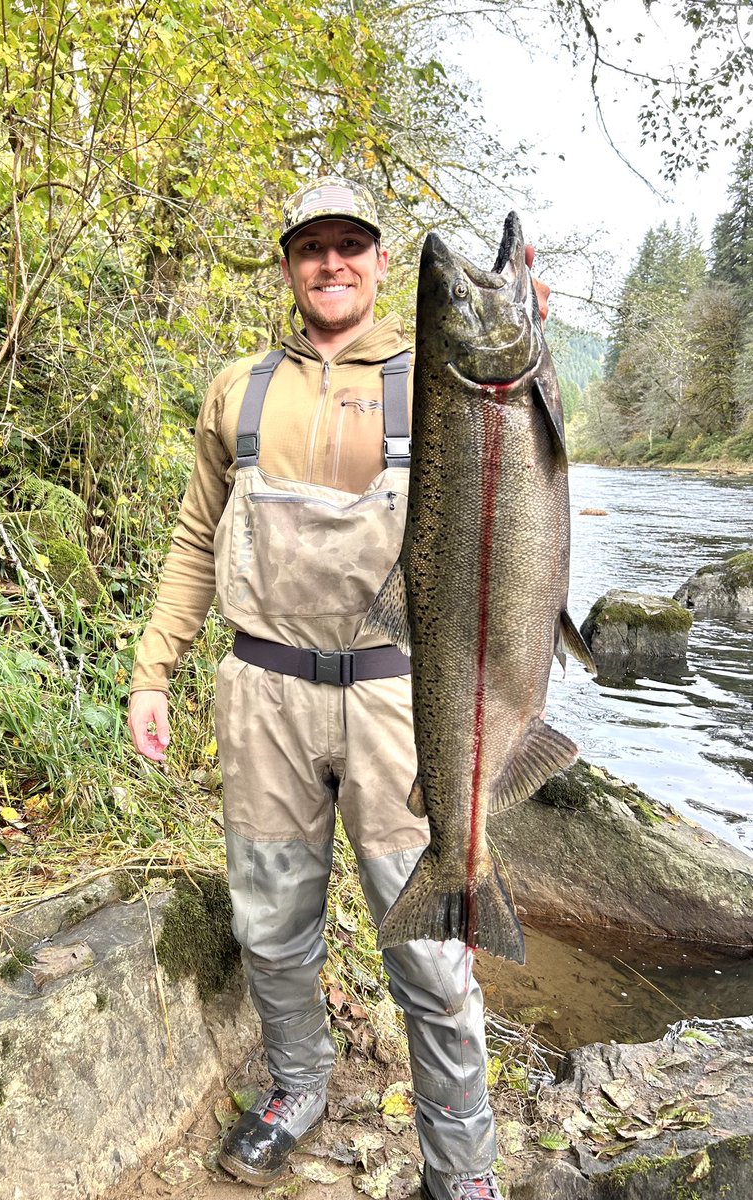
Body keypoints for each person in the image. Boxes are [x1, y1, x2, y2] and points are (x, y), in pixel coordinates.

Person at [129, 176, 550, 1200]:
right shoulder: (239, 389)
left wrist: (532, 336)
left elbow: (524, 468)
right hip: (261, 694)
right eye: (311, 246)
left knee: (437, 958)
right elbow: (195, 538)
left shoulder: (441, 382)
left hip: (401, 706)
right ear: (288, 264)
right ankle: (298, 1088)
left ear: (374, 261)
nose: (332, 263)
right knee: (271, 925)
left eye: (351, 245)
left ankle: (463, 1167)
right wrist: (153, 669)